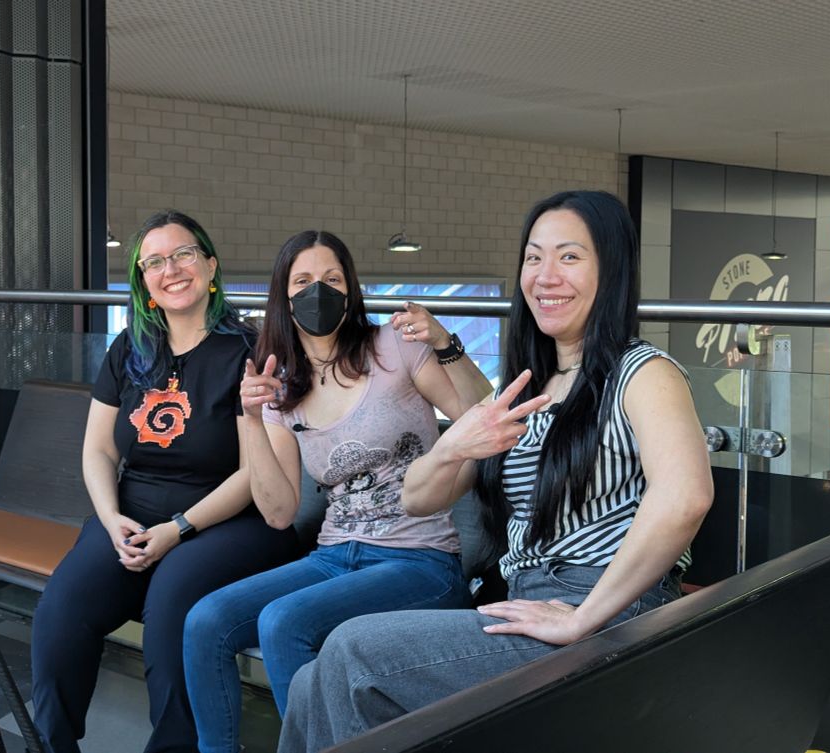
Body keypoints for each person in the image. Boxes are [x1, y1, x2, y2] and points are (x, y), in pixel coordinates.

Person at [277, 190, 715, 752]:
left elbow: (686, 497)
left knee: (351, 648)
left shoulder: (644, 372)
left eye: (570, 257)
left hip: (610, 610)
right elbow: (416, 498)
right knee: (314, 683)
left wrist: (582, 619)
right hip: (526, 599)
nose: (546, 276)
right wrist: (454, 445)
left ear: (612, 270)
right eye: (534, 258)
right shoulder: (531, 384)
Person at [182, 230, 494, 753]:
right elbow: (279, 512)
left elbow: (482, 414)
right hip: (334, 556)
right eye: (302, 281)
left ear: (351, 289)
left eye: (331, 279)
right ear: (283, 295)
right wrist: (253, 420)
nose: (317, 291)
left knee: (283, 623)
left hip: (420, 559)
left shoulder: (394, 347)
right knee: (205, 620)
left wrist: (446, 344)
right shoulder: (282, 385)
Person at [30, 211, 299, 753]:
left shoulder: (252, 350)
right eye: (154, 262)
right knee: (60, 616)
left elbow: (256, 471)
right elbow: (99, 449)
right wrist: (109, 521)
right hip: (131, 515)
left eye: (183, 255)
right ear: (143, 281)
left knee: (172, 605)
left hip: (229, 520)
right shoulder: (130, 348)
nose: (170, 269)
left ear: (211, 266)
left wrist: (177, 529)